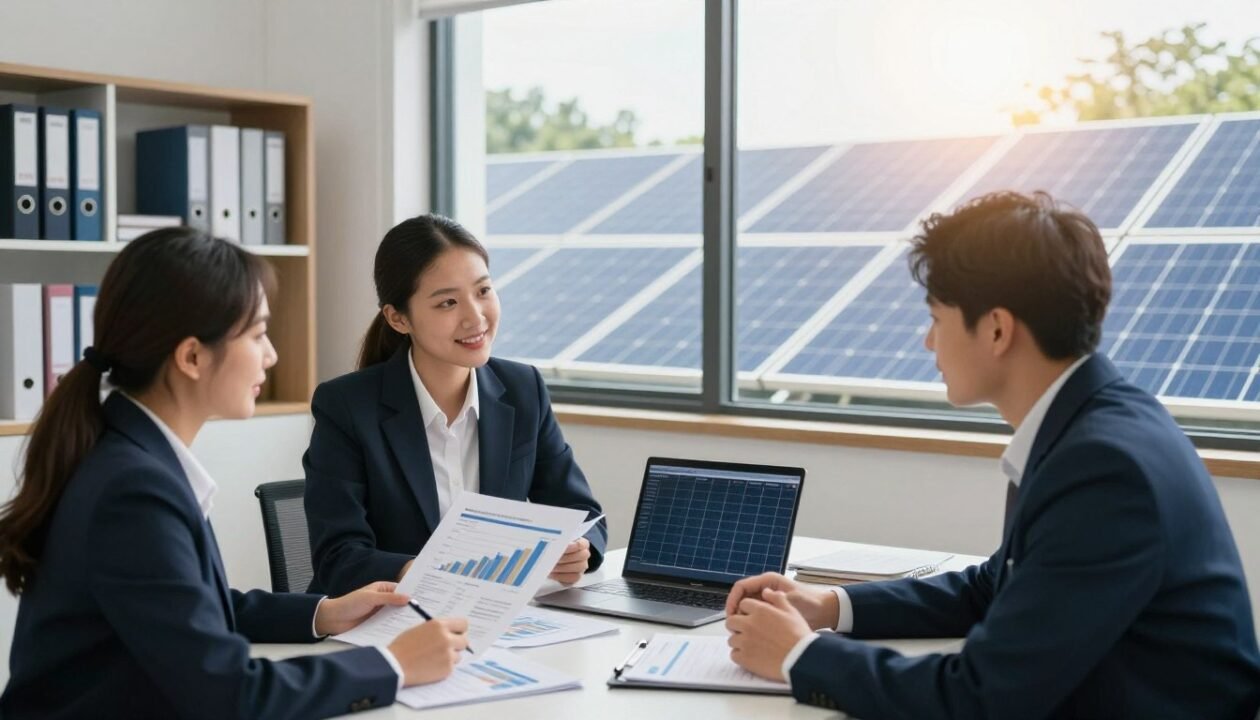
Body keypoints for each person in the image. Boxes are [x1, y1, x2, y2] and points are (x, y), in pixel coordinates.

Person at [724, 192, 1260, 719]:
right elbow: (998, 587)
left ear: (997, 329)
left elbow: (982, 698)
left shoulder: (1103, 467)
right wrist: (829, 607)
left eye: (937, 317)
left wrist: (800, 656)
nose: (928, 342)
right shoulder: (1098, 421)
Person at [0, 229, 470, 719]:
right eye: (257, 334)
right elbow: (227, 692)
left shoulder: (131, 455)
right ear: (192, 357)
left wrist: (324, 612)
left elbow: (191, 608)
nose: (271, 355)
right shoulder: (133, 490)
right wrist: (393, 666)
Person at [303, 214, 607, 596]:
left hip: (492, 618)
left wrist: (579, 549)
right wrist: (428, 572)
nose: (475, 317)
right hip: (386, 622)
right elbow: (338, 558)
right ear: (398, 319)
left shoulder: (523, 389)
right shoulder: (346, 407)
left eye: (483, 291)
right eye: (448, 302)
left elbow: (584, 515)